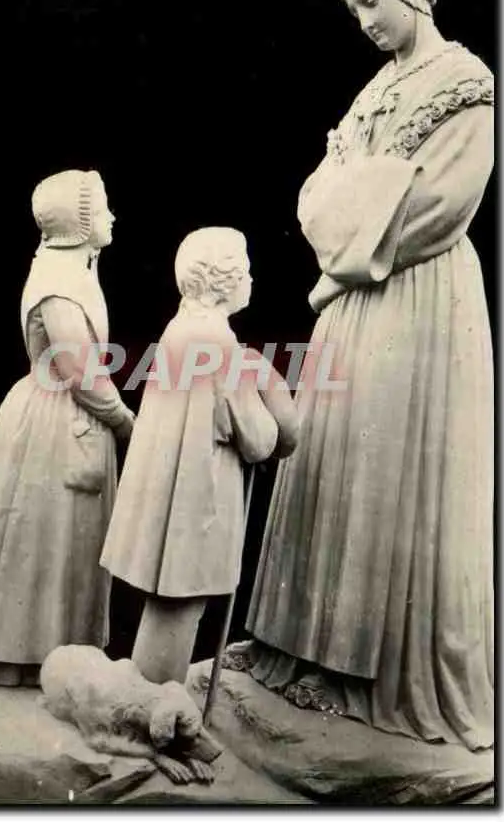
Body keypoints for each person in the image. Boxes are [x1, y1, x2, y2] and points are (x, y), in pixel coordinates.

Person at [237, 0, 494, 752]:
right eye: (353, 11)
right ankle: (303, 652)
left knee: (389, 466)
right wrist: (368, 191)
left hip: (417, 297)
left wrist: (363, 203)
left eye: (372, 3)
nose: (365, 23)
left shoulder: (468, 83)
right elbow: (316, 197)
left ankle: (372, 672)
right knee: (330, 456)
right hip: (351, 298)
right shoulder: (374, 91)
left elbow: (437, 206)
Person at [0, 169, 134, 686]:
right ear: (79, 223)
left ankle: (50, 662)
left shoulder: (71, 271)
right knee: (40, 541)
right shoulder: (59, 284)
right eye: (102, 209)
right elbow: (80, 372)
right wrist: (124, 419)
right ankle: (23, 663)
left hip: (64, 417)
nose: (112, 216)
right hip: (54, 422)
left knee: (56, 544)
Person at [100, 227, 299, 685]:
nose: (251, 279)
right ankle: (157, 707)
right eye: (245, 271)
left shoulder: (179, 329)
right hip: (198, 507)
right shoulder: (223, 348)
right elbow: (261, 440)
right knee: (183, 608)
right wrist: (269, 381)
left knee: (166, 607)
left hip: (169, 503)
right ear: (223, 281)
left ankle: (151, 699)